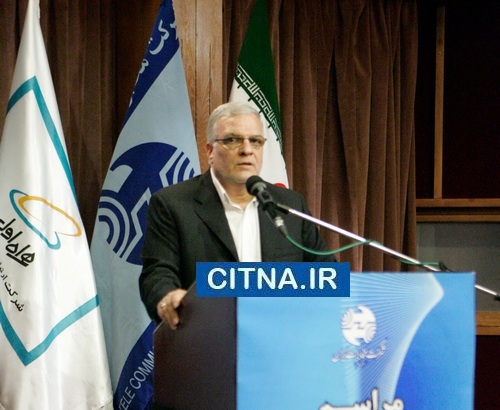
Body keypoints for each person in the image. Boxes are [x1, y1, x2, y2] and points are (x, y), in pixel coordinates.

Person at [139, 101, 332, 329]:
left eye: (255, 141)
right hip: (207, 337)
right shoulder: (173, 203)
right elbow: (157, 272)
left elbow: (324, 272)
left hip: (280, 337)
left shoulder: (289, 204)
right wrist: (167, 296)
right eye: (232, 140)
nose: (247, 150)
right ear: (210, 151)